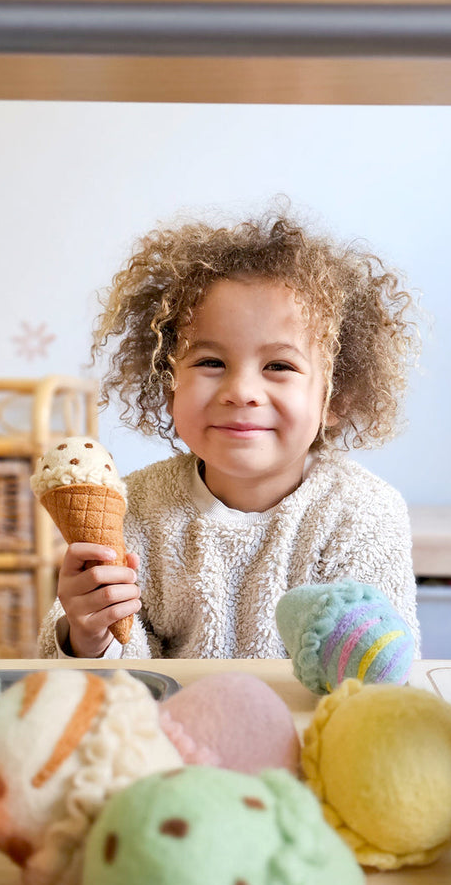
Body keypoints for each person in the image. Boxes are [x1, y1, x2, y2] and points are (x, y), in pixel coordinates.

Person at [38, 206, 422, 661]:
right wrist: (87, 632)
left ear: (336, 396)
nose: (241, 391)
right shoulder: (135, 509)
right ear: (168, 384)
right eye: (210, 362)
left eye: (279, 366)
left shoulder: (363, 514)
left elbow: (380, 668)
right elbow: (115, 675)